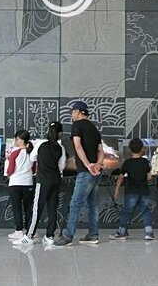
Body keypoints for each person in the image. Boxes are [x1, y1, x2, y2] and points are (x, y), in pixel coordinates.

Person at [53, 101, 104, 247]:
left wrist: (88, 165)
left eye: (72, 111)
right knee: (93, 204)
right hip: (95, 172)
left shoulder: (77, 125)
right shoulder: (94, 128)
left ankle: (68, 236)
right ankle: (93, 234)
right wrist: (98, 165)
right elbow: (101, 151)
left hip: (86, 172)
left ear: (78, 111)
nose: (71, 115)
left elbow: (77, 145)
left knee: (75, 203)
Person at [18, 122, 66, 245]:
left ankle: (29, 236)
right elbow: (62, 166)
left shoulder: (40, 144)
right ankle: (49, 236)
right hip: (56, 181)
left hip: (42, 181)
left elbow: (32, 158)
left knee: (37, 208)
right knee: (52, 208)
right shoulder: (61, 148)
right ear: (60, 133)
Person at [109, 138, 155, 241]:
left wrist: (116, 190)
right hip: (144, 191)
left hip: (131, 192)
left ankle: (122, 233)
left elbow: (121, 177)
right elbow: (149, 177)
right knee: (146, 211)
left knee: (127, 212)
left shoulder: (127, 163)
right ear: (142, 149)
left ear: (130, 150)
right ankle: (149, 233)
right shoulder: (145, 162)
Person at [5, 130, 35, 241]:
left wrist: (8, 175)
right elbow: (34, 168)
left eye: (16, 139)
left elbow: (10, 169)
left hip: (15, 183)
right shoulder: (31, 152)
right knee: (28, 208)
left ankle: (18, 231)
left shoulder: (15, 152)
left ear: (21, 140)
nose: (15, 141)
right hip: (28, 183)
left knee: (17, 208)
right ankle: (29, 230)